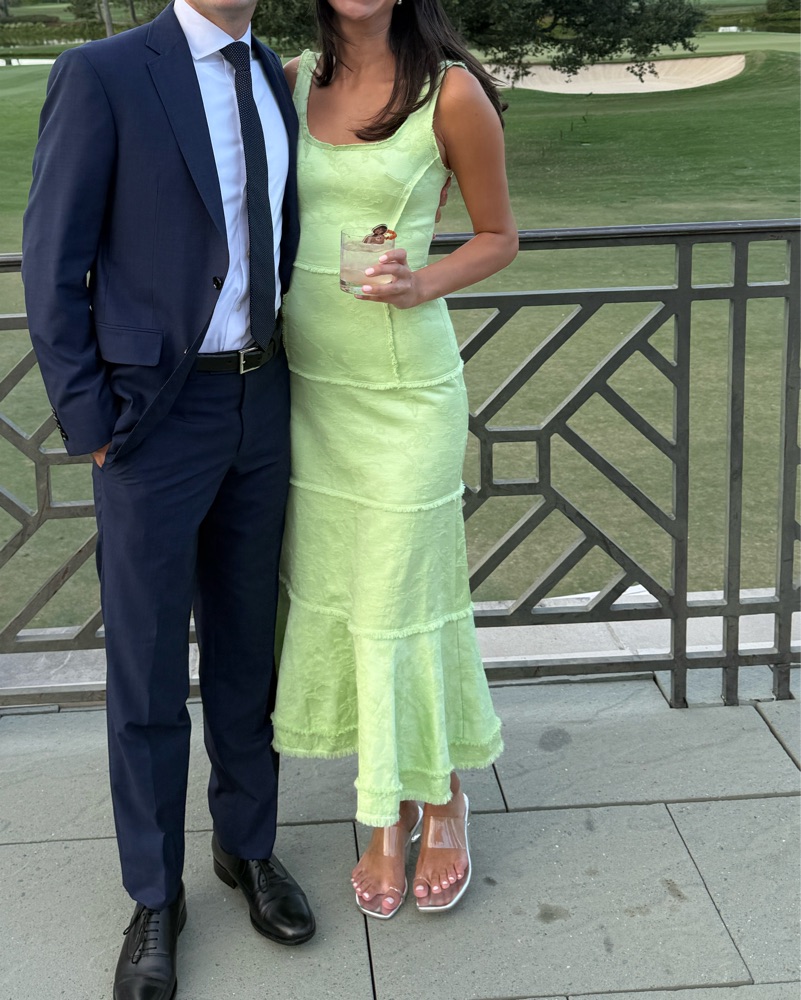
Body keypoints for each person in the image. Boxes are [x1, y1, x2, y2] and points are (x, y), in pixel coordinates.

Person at [22, 0, 315, 996]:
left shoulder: (270, 72)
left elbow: (278, 233)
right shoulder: (103, 74)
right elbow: (52, 265)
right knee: (146, 670)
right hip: (153, 420)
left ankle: (247, 847)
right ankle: (154, 894)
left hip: (261, 400)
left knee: (246, 648)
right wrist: (92, 421)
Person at [272, 0, 517, 919]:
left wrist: (423, 281)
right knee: (348, 593)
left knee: (400, 598)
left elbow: (497, 236)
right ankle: (393, 799)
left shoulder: (449, 93)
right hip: (310, 391)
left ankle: (432, 798)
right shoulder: (288, 81)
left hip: (405, 392)